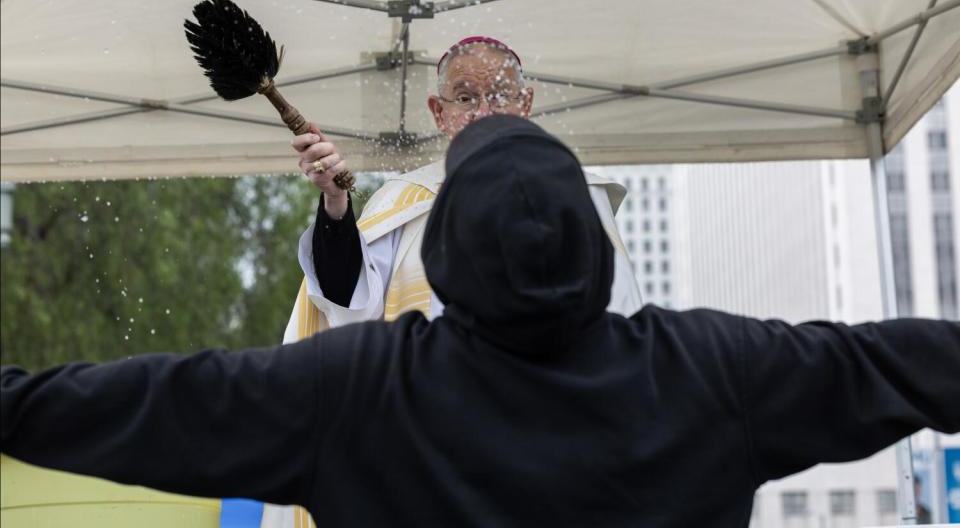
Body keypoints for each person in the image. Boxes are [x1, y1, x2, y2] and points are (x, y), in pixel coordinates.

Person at [2, 116, 959, 528]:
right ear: (591, 238)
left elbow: (143, 406)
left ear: (447, 243)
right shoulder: (711, 370)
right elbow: (901, 362)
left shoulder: (358, 391)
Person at [282, 35, 642, 335]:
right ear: (440, 113)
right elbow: (349, 305)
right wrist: (335, 199)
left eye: (501, 96)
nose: (484, 113)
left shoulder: (575, 193)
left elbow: (618, 319)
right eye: (467, 98)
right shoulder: (406, 199)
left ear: (526, 104)